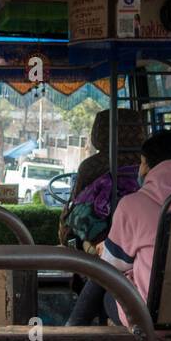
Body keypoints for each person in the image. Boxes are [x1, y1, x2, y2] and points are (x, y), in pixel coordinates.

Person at [98, 130, 171, 326]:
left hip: (150, 319)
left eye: (141, 163)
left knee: (104, 290)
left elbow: (112, 267)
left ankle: (77, 330)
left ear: (145, 164)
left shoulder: (132, 204)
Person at [63, 109, 146, 325]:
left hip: (104, 242)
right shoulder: (151, 167)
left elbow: (77, 210)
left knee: (91, 254)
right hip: (142, 249)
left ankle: (77, 323)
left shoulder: (92, 167)